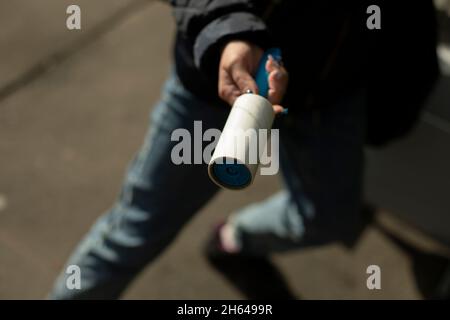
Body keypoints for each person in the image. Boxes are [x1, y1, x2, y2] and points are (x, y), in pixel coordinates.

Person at [50, 0, 439, 299]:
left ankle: (235, 239)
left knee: (331, 218)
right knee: (136, 230)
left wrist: (404, 90)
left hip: (332, 93)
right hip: (222, 85)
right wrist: (227, 28)